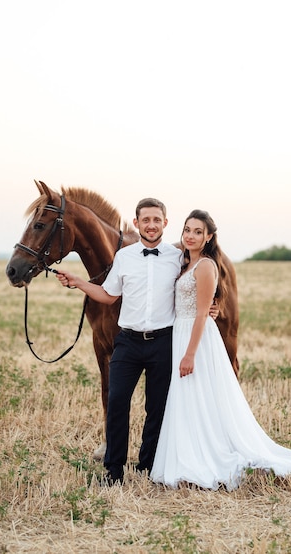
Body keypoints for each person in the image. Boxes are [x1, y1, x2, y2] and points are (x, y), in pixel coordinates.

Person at [56, 198, 218, 486]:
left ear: (165, 224)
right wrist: (79, 282)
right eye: (146, 220)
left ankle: (148, 467)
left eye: (157, 220)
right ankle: (114, 471)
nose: (151, 225)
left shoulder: (177, 256)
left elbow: (197, 282)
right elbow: (109, 295)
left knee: (156, 409)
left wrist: (214, 307)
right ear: (137, 223)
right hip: (128, 342)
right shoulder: (124, 258)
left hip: (163, 343)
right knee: (117, 403)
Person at [150, 209, 291, 491]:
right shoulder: (185, 263)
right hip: (182, 334)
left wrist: (189, 354)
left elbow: (202, 314)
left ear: (209, 236)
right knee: (189, 399)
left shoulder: (206, 267)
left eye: (198, 231)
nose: (190, 235)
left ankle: (209, 456)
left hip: (196, 338)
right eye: (187, 229)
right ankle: (190, 452)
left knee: (198, 393)